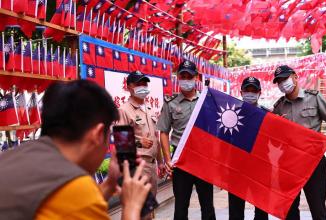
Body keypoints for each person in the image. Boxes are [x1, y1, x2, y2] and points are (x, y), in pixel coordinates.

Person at [0, 80, 151, 220]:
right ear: (98, 134)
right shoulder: (75, 188)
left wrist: (109, 185)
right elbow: (76, 200)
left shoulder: (15, 156)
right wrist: (132, 206)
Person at [272, 65, 326, 220]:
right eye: (279, 81)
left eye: (285, 79)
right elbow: (275, 139)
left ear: (295, 77)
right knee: (289, 210)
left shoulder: (314, 97)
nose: (283, 83)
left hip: (313, 162)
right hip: (288, 164)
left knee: (318, 209)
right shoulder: (278, 106)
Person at [157, 60, 216, 220]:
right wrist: (168, 160)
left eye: (189, 76)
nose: (186, 79)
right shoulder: (171, 103)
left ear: (196, 77)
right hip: (180, 159)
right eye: (182, 75)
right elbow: (163, 131)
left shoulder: (207, 100)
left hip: (203, 158)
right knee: (181, 205)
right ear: (177, 77)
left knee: (208, 205)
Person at [116, 71, 164, 200]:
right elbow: (121, 142)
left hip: (151, 166)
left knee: (149, 210)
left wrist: (160, 162)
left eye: (144, 84)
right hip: (137, 166)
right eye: (138, 84)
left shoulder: (149, 110)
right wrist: (138, 142)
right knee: (138, 208)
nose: (142, 87)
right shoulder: (124, 110)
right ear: (129, 87)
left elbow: (156, 138)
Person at [228, 76, 269, 220]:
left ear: (260, 92)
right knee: (235, 210)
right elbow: (224, 142)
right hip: (236, 169)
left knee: (262, 210)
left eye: (254, 90)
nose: (250, 93)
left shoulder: (268, 115)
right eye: (247, 90)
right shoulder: (231, 114)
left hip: (260, 169)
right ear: (241, 92)